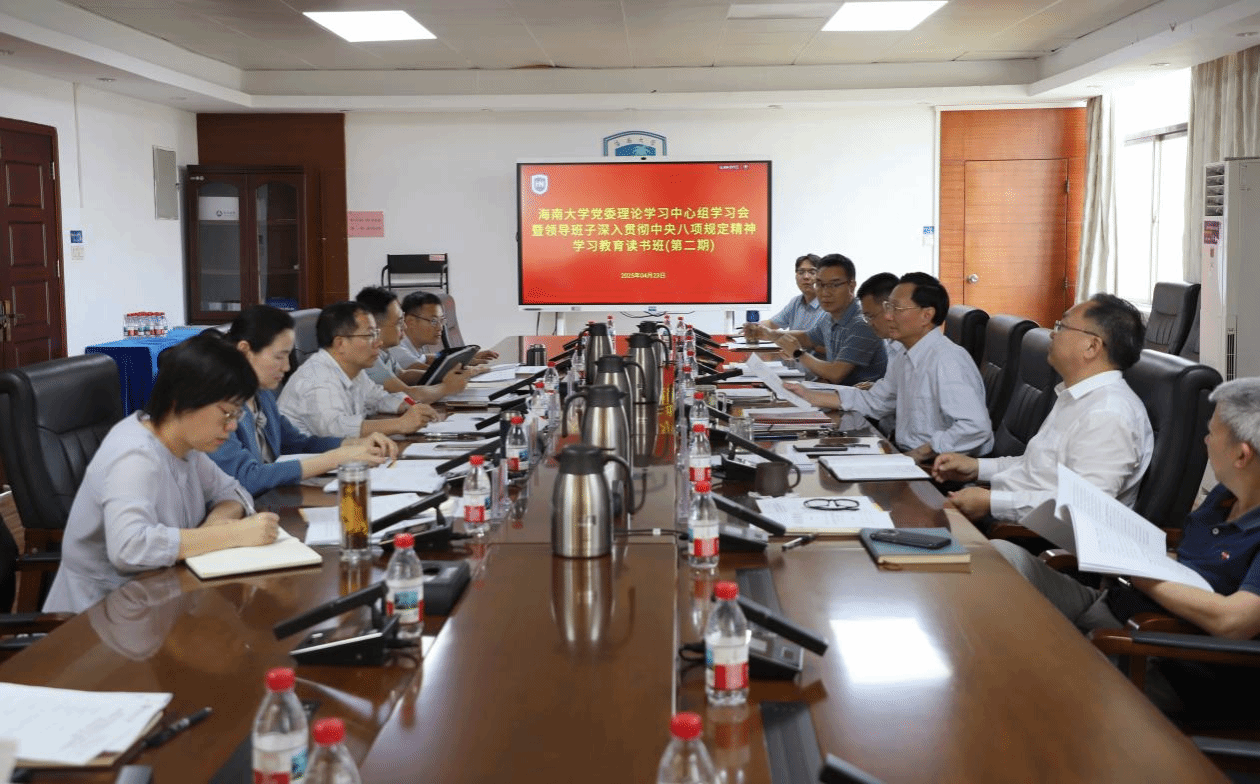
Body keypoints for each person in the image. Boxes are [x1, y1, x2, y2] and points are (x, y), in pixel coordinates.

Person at [991, 377, 1260, 642]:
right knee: (998, 557)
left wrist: (1143, 576)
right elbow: (1191, 562)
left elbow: (1232, 622)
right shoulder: (1225, 495)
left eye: (1212, 433)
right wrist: (1121, 552)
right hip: (1110, 607)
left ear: (1241, 455)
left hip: (1143, 645)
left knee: (1005, 634)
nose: (1206, 440)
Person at [43, 333, 281, 613]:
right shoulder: (134, 454)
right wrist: (231, 535)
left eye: (237, 415)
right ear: (182, 401)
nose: (232, 427)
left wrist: (215, 526)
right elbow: (129, 548)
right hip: (99, 617)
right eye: (227, 413)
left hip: (162, 599)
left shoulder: (186, 445)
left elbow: (232, 492)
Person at [932, 294, 1154, 524]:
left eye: (1062, 326)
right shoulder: (1076, 396)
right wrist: (976, 468)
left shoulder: (1108, 415)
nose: (1052, 334)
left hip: (1034, 537)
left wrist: (991, 502)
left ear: (1092, 346)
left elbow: (1083, 508)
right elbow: (1037, 468)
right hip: (1014, 520)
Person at [788, 272, 992, 461]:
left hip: (937, 467)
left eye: (896, 309)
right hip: (904, 452)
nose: (887, 316)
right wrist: (809, 395)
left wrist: (920, 454)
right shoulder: (905, 355)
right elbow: (876, 401)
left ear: (926, 315)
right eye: (888, 307)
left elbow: (975, 427)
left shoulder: (947, 360)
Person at [209, 305, 399, 496]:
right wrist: (335, 458)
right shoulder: (217, 406)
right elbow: (246, 478)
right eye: (279, 357)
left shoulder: (262, 395)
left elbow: (298, 444)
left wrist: (355, 445)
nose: (287, 367)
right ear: (245, 351)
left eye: (288, 356)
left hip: (272, 500)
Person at [278, 301, 440, 438]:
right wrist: (400, 424)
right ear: (340, 343)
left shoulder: (353, 370)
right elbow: (335, 429)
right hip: (308, 460)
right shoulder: (317, 378)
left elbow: (378, 398)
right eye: (370, 335)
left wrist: (409, 405)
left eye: (376, 333)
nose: (378, 342)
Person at [758, 254, 886, 385]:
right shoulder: (829, 317)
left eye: (834, 285)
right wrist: (769, 333)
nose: (825, 293)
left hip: (858, 396)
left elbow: (836, 374)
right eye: (820, 284)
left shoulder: (863, 322)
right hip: (836, 391)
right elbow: (807, 338)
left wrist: (797, 353)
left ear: (851, 286)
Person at [354, 286, 472, 399]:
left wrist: (444, 376)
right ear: (374, 326)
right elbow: (408, 394)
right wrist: (447, 388)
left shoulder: (384, 351)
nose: (405, 327)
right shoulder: (367, 355)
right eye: (399, 322)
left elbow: (402, 374)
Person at [389, 290, 499, 370]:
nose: (440, 327)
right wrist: (468, 367)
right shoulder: (397, 349)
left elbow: (427, 358)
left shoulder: (412, 347)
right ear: (411, 321)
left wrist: (469, 356)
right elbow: (430, 372)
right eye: (433, 321)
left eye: (441, 320)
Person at [742, 253, 829, 339]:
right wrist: (754, 327)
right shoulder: (796, 302)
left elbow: (811, 337)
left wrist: (771, 334)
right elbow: (772, 323)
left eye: (812, 272)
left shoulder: (829, 305)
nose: (806, 277)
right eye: (801, 272)